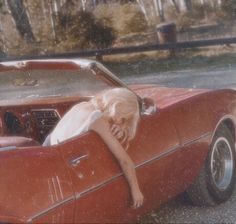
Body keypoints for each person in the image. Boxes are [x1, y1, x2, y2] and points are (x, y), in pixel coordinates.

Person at [43, 88, 144, 208]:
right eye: (124, 117)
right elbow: (125, 161)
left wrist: (119, 128)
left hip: (47, 153)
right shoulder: (97, 119)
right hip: (62, 170)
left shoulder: (82, 105)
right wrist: (136, 190)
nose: (120, 121)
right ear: (117, 107)